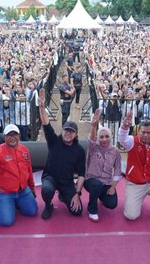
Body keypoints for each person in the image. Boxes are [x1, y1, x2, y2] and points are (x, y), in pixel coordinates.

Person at [38, 88, 86, 220]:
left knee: (78, 211)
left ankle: (63, 196)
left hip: (67, 182)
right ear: (62, 130)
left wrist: (77, 193)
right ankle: (48, 205)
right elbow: (46, 123)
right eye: (66, 130)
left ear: (76, 135)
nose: (68, 133)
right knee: (47, 190)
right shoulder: (54, 140)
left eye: (71, 132)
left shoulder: (79, 150)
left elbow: (82, 174)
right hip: (50, 177)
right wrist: (41, 107)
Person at [0, 124, 38, 226]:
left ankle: (15, 203)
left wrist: (32, 188)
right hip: (4, 193)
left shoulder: (24, 150)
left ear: (19, 136)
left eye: (15, 134)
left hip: (22, 190)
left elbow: (29, 170)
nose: (12, 137)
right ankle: (4, 203)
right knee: (6, 222)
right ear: (4, 137)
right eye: (9, 135)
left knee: (32, 212)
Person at [84, 109, 122, 222]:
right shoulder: (93, 147)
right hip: (91, 181)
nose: (104, 139)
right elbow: (91, 140)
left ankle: (100, 196)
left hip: (106, 182)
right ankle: (92, 209)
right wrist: (94, 126)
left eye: (106, 136)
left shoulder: (115, 151)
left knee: (112, 204)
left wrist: (113, 187)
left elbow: (117, 171)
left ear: (110, 137)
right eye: (101, 137)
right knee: (96, 185)